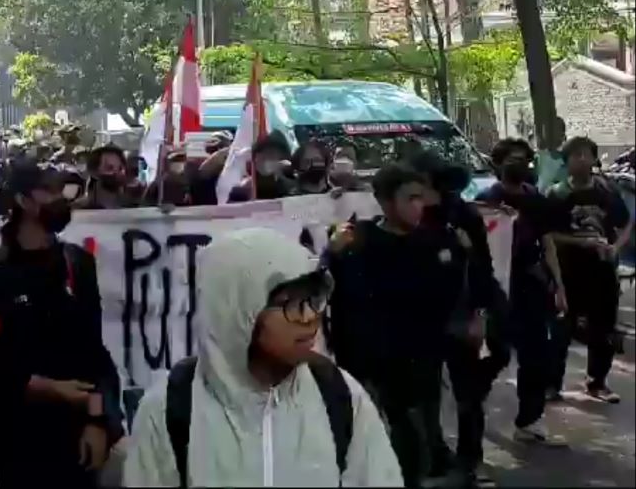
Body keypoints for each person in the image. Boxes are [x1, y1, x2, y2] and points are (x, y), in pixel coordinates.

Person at [125, 228, 402, 487]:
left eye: (313, 299)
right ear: (237, 309)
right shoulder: (168, 408)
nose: (309, 317)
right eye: (289, 304)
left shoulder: (341, 396)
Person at [0, 161, 124, 487]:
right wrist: (49, 389)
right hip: (17, 433)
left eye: (63, 191)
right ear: (24, 201)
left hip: (76, 430)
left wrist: (98, 420)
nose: (60, 200)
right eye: (50, 192)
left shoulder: (78, 264)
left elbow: (93, 352)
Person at [324, 163, 457, 487]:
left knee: (416, 447)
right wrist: (332, 253)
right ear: (385, 201)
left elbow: (450, 294)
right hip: (373, 365)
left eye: (421, 198)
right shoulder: (358, 243)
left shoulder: (433, 242)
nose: (418, 206)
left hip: (421, 364)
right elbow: (333, 294)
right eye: (409, 198)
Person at [408, 150, 508, 486]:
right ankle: (433, 456)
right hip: (422, 320)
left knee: (468, 393)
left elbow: (482, 270)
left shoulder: (462, 215)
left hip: (463, 316)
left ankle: (470, 460)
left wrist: (479, 316)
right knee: (424, 394)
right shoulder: (406, 216)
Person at [476, 138, 567, 447]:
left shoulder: (535, 199)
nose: (517, 163)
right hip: (499, 285)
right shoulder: (487, 199)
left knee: (537, 355)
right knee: (498, 352)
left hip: (531, 285)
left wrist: (559, 285)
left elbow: (548, 243)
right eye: (510, 158)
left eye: (522, 158)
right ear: (498, 164)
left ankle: (528, 420)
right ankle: (473, 396)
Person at [547, 136, 631, 404]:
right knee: (561, 330)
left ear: (595, 159)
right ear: (566, 161)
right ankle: (552, 384)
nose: (582, 160)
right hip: (568, 273)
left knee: (603, 329)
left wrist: (616, 247)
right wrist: (581, 241)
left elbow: (626, 223)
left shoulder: (607, 191)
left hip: (602, 271)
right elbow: (548, 235)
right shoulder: (556, 194)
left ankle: (597, 382)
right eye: (575, 155)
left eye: (587, 154)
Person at [75, 145, 138, 210]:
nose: (118, 172)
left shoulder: (133, 198)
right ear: (95, 171)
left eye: (120, 168)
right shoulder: (85, 208)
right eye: (109, 168)